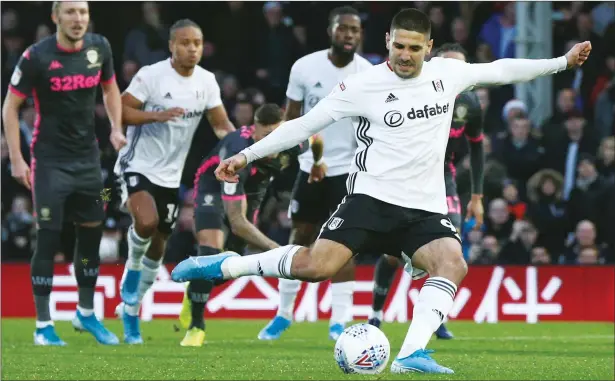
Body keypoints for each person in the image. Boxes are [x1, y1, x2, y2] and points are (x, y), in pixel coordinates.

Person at [172, 8, 591, 374]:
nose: (406, 56)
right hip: (370, 200)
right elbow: (303, 125)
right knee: (317, 268)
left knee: (453, 263)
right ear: (388, 42)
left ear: (429, 47)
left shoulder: (449, 74)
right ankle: (228, 266)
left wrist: (561, 62)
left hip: (423, 207)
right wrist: (246, 155)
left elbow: (501, 70)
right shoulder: (362, 85)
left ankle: (412, 354)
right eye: (399, 47)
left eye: (414, 48)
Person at [2, 1, 126, 346]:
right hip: (49, 163)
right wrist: (17, 158)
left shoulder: (100, 47)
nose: (78, 19)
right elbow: (10, 107)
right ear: (55, 17)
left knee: (90, 236)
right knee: (49, 237)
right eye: (70, 12)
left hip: (88, 162)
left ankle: (85, 313)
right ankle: (43, 325)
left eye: (83, 12)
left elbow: (110, 87)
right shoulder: (36, 57)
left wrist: (116, 127)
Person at [113, 19, 235, 345]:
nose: (192, 48)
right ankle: (131, 268)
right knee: (147, 221)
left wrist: (244, 150)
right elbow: (120, 111)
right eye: (185, 43)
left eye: (197, 42)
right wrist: (155, 115)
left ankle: (131, 309)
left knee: (158, 249)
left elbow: (222, 126)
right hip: (136, 164)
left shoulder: (207, 81)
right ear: (171, 45)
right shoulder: (150, 76)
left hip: (171, 176)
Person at [258, 5, 373, 343]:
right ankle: (284, 314)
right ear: (330, 31)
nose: (349, 35)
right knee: (300, 237)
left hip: (351, 171)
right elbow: (291, 121)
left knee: (345, 245)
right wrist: (302, 157)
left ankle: (339, 321)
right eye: (343, 28)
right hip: (310, 169)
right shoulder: (305, 67)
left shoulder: (368, 73)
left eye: (354, 30)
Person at [367, 42, 484, 340]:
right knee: (394, 254)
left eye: (460, 66)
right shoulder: (411, 93)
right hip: (403, 177)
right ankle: (377, 313)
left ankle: (434, 317)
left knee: (449, 246)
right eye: (447, 64)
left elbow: (477, 145)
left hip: (443, 178)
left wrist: (477, 196)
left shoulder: (470, 104)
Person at [178, 103, 317, 346]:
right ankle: (196, 326)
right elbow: (237, 223)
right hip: (214, 184)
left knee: (232, 263)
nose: (271, 145)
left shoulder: (294, 139)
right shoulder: (237, 153)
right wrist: (277, 250)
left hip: (251, 193)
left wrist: (318, 161)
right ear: (254, 131)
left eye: (276, 136)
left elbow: (315, 139)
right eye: (265, 137)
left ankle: (194, 288)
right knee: (211, 250)